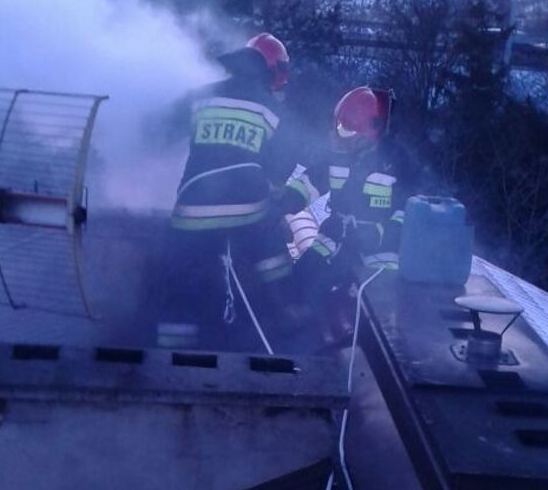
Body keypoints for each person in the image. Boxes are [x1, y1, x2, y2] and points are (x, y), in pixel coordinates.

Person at [156, 33, 301, 351]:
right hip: (249, 210)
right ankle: (285, 318)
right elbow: (284, 164)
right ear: (273, 70)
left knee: (179, 283)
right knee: (271, 253)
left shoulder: (201, 97)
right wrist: (277, 200)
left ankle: (171, 354)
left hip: (192, 210)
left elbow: (160, 130)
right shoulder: (273, 111)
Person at [293, 85, 412, 341]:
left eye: (346, 130)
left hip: (379, 251)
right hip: (336, 235)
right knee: (302, 279)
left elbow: (410, 207)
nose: (339, 137)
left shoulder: (398, 161)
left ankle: (358, 345)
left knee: (371, 307)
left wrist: (388, 232)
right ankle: (309, 335)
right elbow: (308, 182)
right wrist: (284, 200)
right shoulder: (336, 156)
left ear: (370, 130)